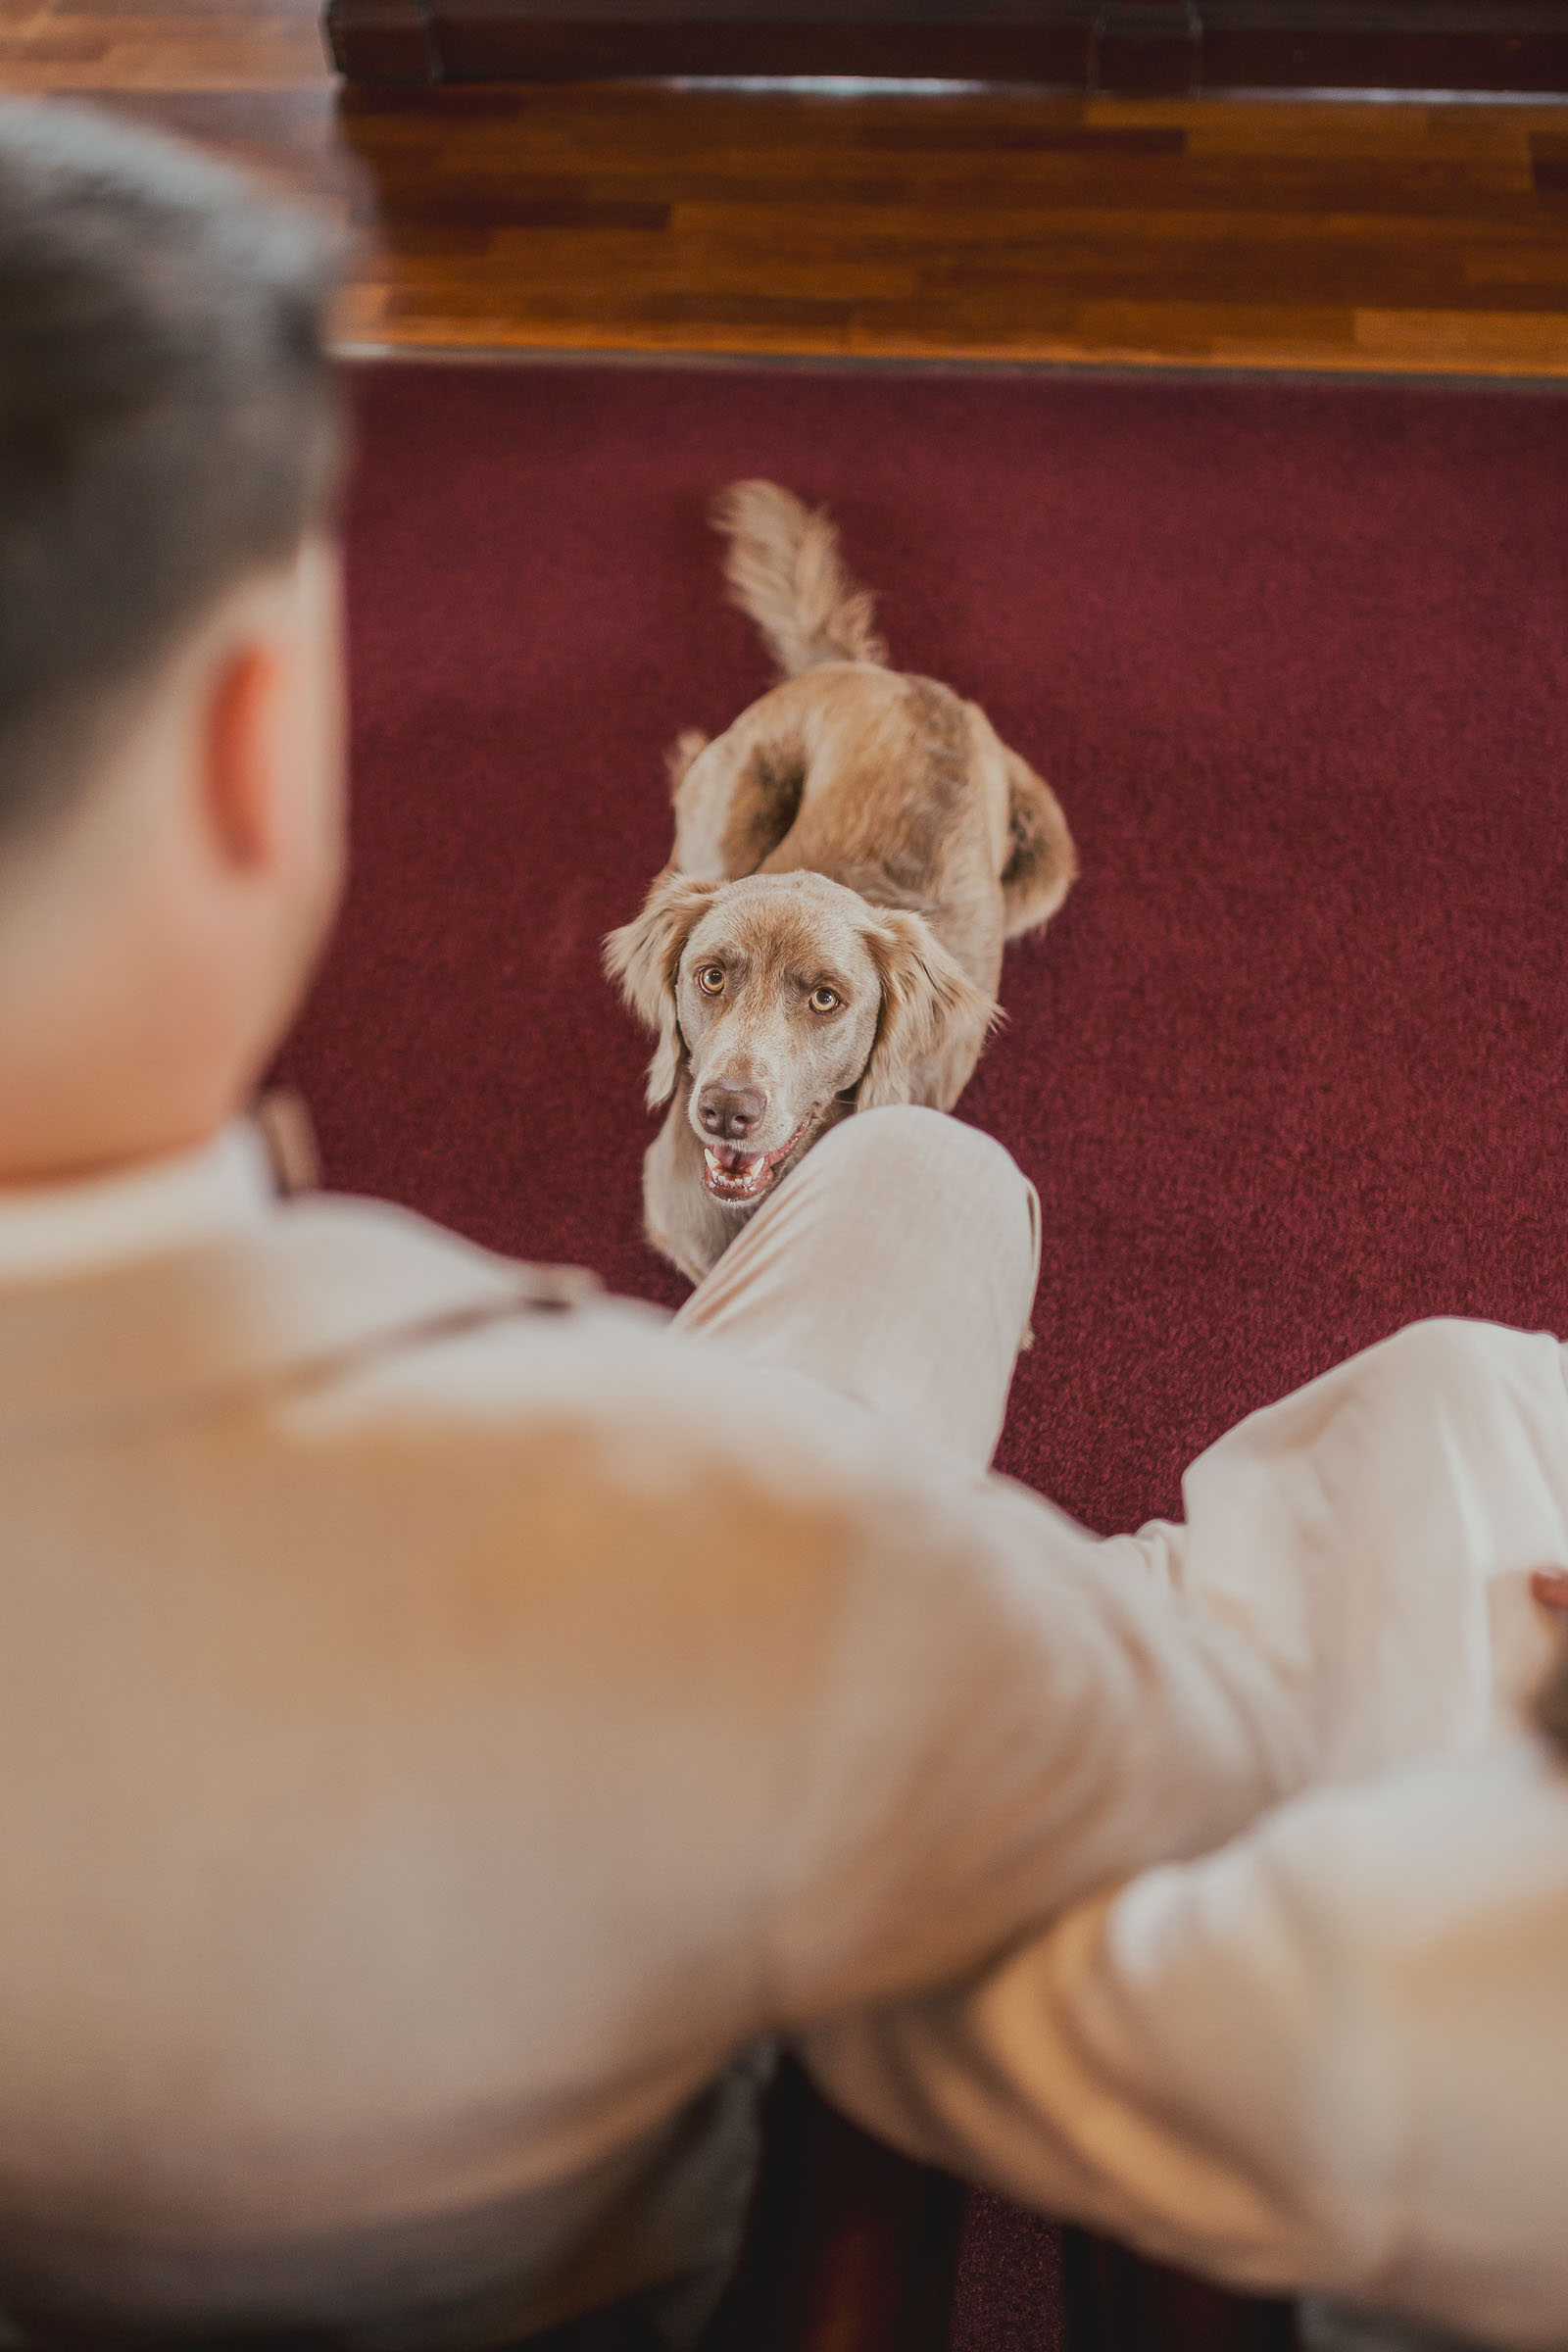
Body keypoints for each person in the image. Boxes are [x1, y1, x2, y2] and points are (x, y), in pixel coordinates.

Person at [0, 93, 1551, 2352]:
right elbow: (1186, 1764)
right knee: (1436, 1400)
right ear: (259, 749)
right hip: (658, 2048)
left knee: (907, 1171)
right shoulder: (622, 1504)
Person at [808, 1352, 1568, 2351]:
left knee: (1458, 1411)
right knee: (1475, 1393)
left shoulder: (1425, 1954)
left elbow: (962, 2029)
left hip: (1311, 2057)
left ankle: (1134, 1632)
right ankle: (1146, 1621)